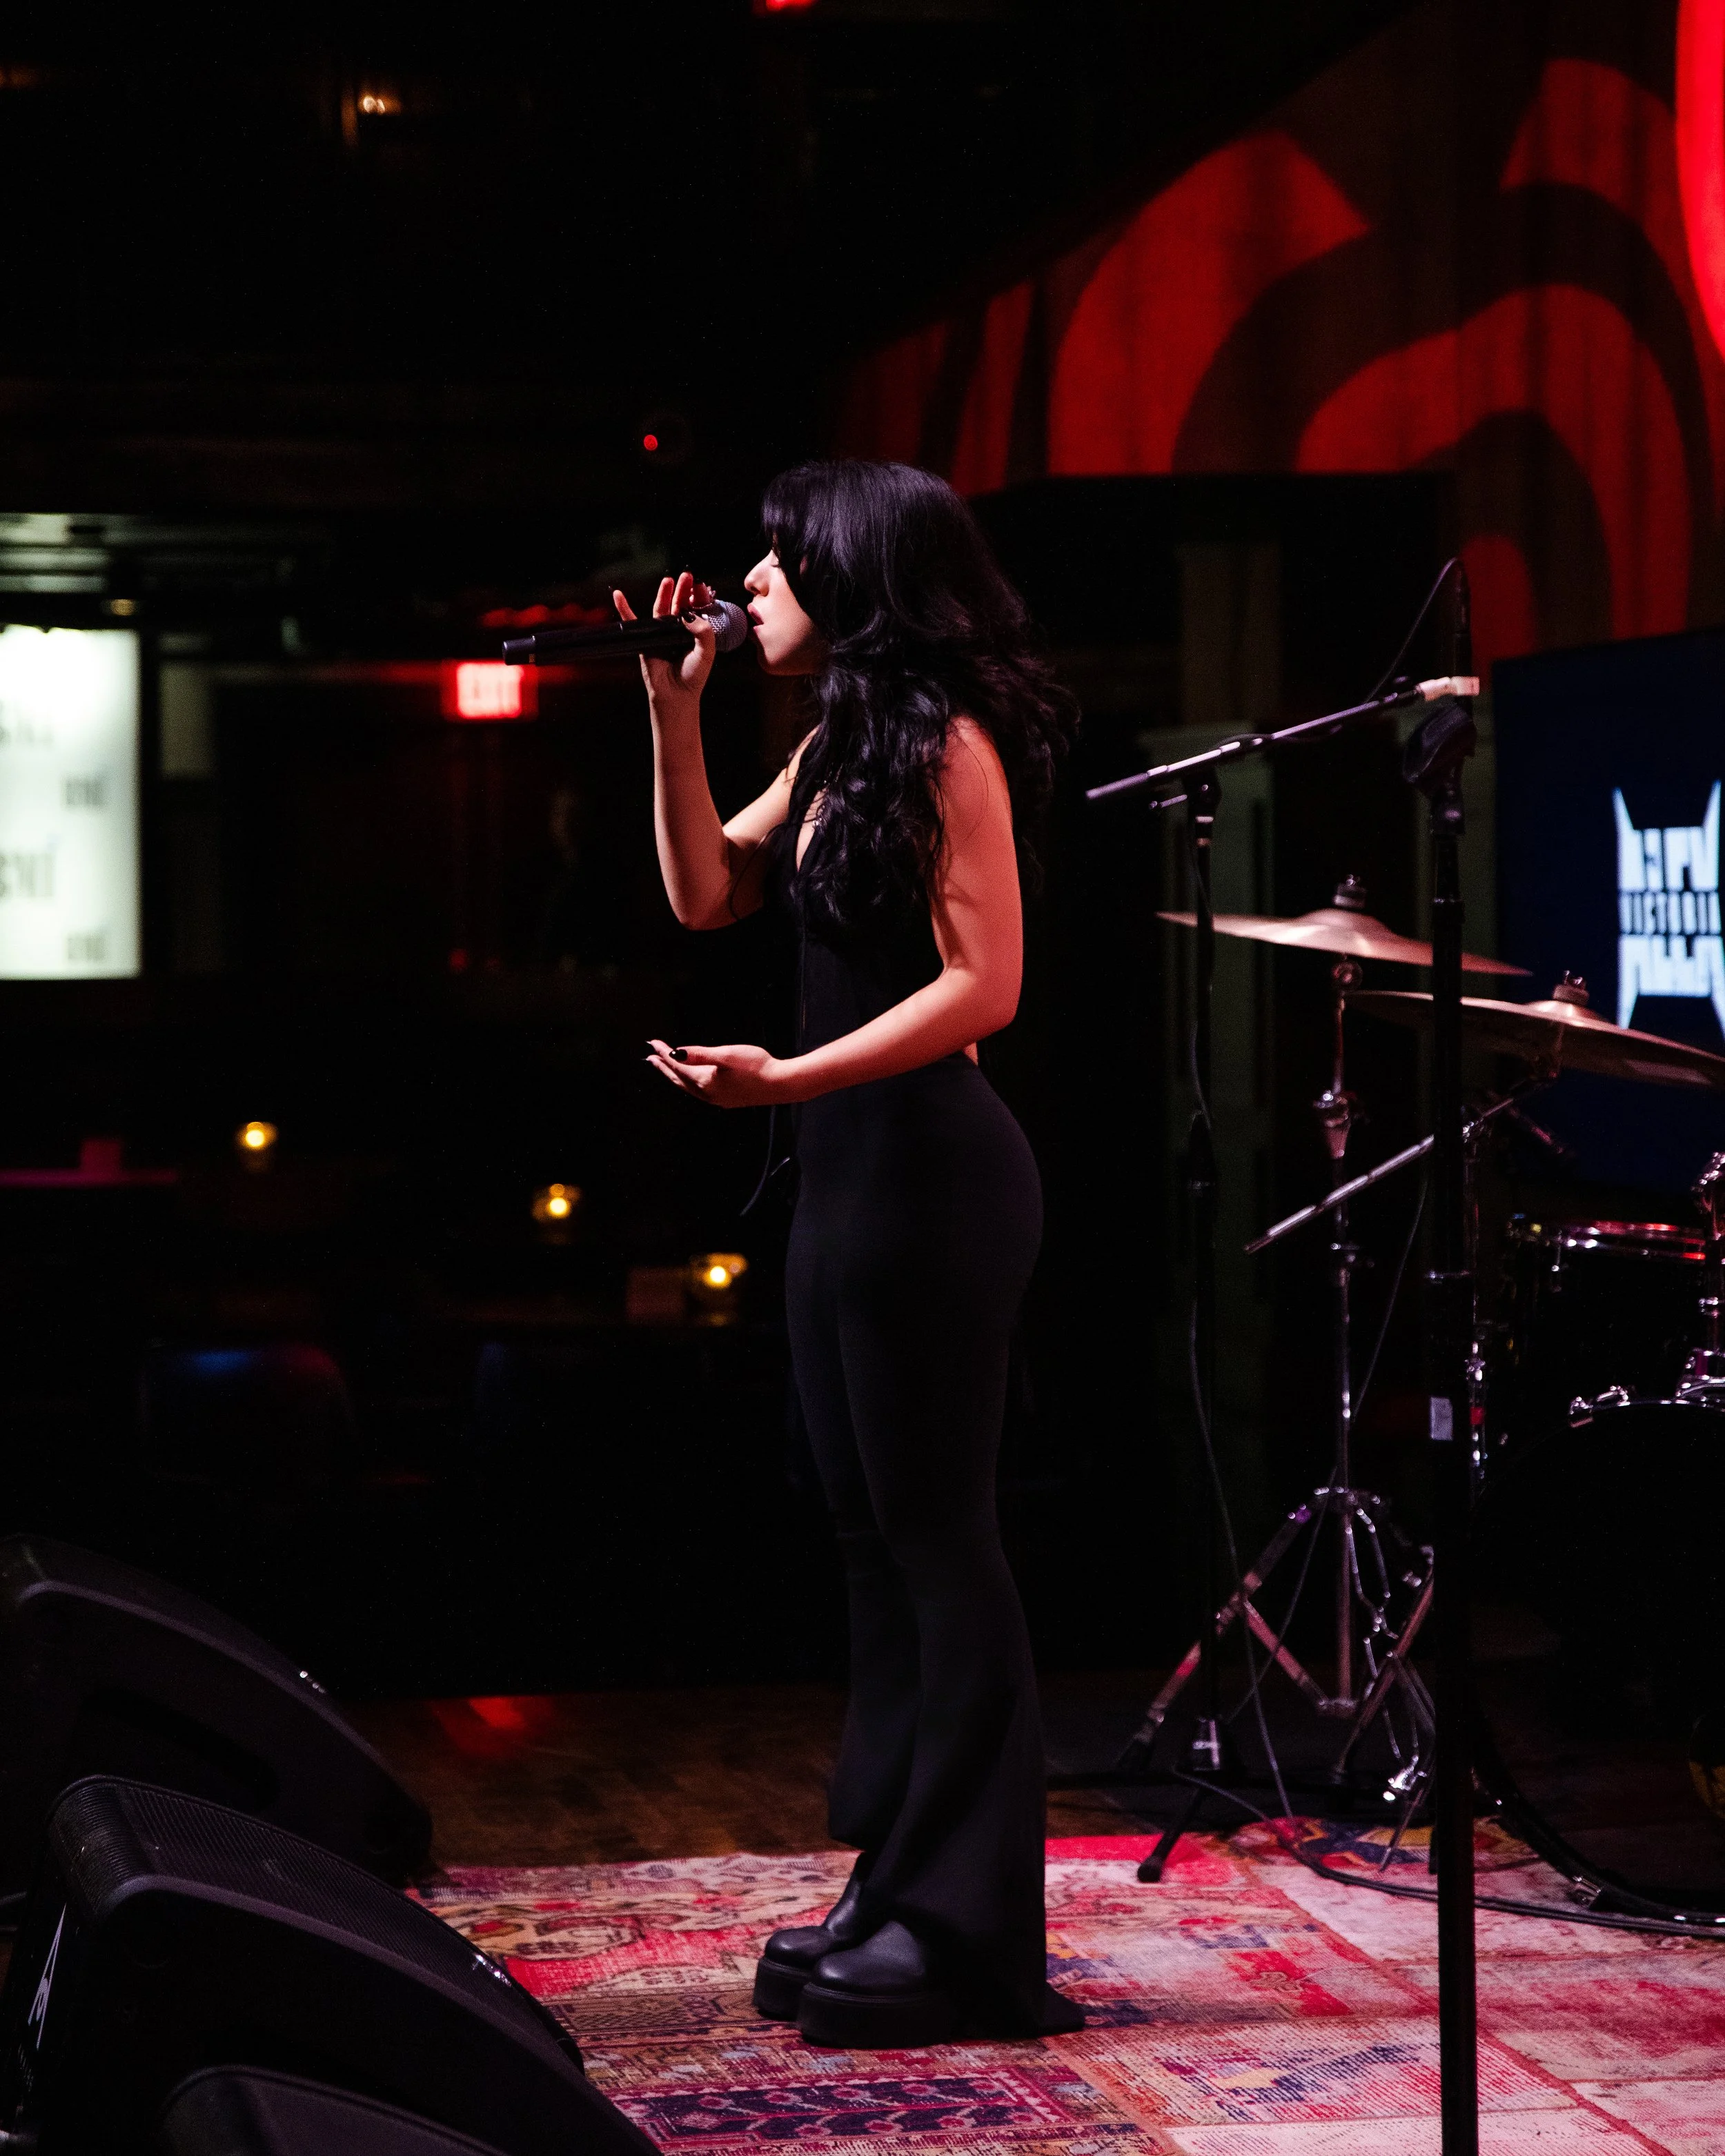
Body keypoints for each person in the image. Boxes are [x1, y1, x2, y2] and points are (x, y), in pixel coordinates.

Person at [620, 459, 1081, 2049]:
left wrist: (784, 1079)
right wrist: (672, 713)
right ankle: (894, 1884)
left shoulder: (946, 743)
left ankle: (966, 1928)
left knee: (942, 1543)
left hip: (934, 1180)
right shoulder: (834, 741)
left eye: (778, 558)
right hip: (843, 1180)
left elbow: (986, 984)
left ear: (855, 576)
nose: (749, 582)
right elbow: (705, 894)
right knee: (870, 1540)